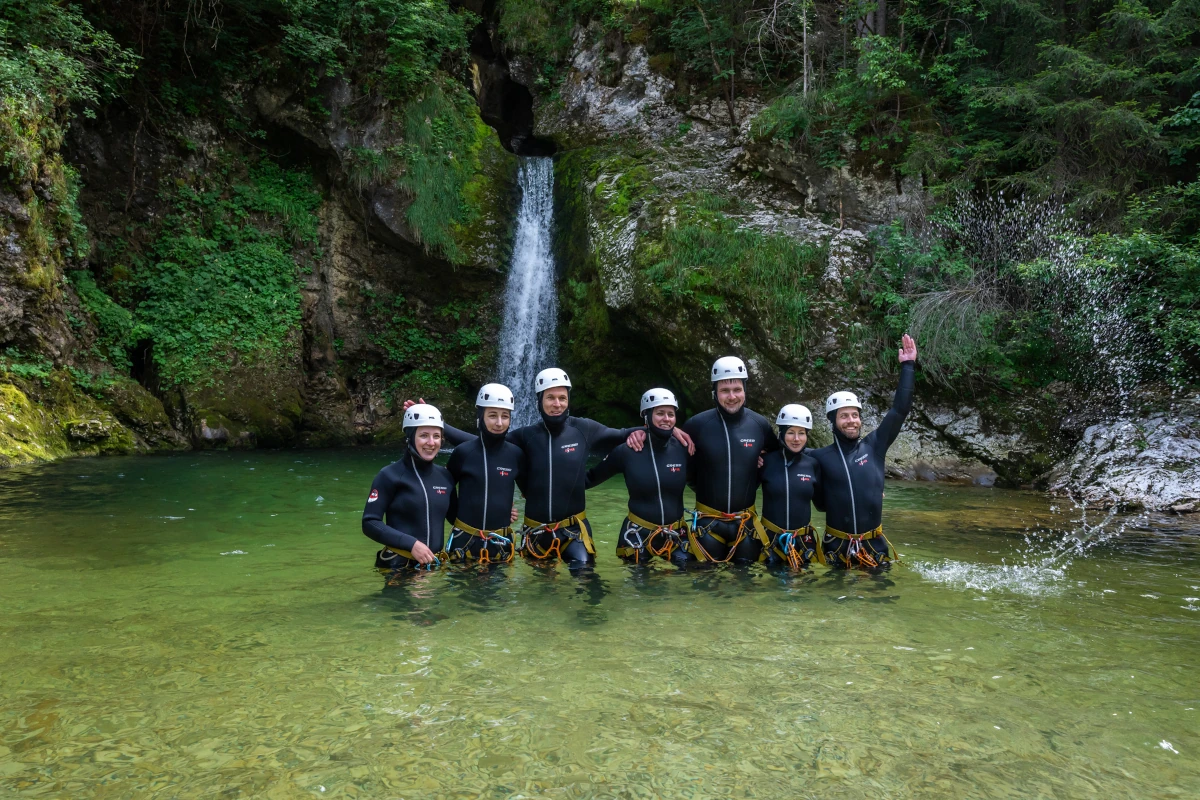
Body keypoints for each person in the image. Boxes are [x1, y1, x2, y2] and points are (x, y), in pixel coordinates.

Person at [418, 368, 693, 574]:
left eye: (562, 397)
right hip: (535, 531)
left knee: (585, 577)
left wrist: (665, 428)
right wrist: (439, 427)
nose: (557, 403)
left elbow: (622, 433)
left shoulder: (584, 429)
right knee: (540, 592)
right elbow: (482, 444)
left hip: (573, 529)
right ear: (540, 400)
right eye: (551, 398)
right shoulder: (525, 436)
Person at [630, 356, 778, 564]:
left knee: (746, 587)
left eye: (737, 389)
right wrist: (639, 431)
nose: (732, 396)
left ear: (745, 390)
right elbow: (669, 447)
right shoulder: (698, 425)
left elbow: (779, 457)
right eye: (725, 391)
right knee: (705, 584)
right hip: (708, 524)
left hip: (745, 524)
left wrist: (758, 467)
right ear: (714, 393)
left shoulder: (759, 424)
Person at [811, 334, 918, 569]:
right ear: (832, 421)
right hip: (836, 548)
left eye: (855, 415)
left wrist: (908, 366)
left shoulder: (875, 445)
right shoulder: (817, 457)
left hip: (874, 547)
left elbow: (899, 410)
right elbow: (784, 454)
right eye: (844, 416)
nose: (851, 421)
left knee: (880, 604)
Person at [586, 388, 691, 565]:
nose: (666, 419)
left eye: (671, 414)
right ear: (646, 416)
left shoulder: (684, 448)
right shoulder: (626, 451)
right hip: (637, 535)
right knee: (642, 590)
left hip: (676, 535)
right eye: (660, 413)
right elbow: (589, 479)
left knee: (694, 580)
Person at [361, 404, 455, 572]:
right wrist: (411, 544)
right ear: (410, 437)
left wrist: (501, 512)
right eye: (424, 436)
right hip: (399, 567)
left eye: (436, 436)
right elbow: (369, 523)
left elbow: (458, 518)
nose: (431, 443)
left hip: (434, 568)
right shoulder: (389, 475)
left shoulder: (446, 477)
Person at [443, 383, 522, 565]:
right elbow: (444, 489)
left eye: (505, 416)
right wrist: (458, 520)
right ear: (481, 416)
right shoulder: (463, 453)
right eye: (492, 416)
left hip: (500, 543)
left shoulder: (516, 455)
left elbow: (531, 491)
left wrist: (503, 509)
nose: (499, 423)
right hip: (464, 541)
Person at [758, 404, 822, 570]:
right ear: (781, 433)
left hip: (803, 543)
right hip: (769, 542)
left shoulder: (813, 464)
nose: (796, 439)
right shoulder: (765, 461)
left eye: (801, 433)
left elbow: (824, 503)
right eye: (791, 432)